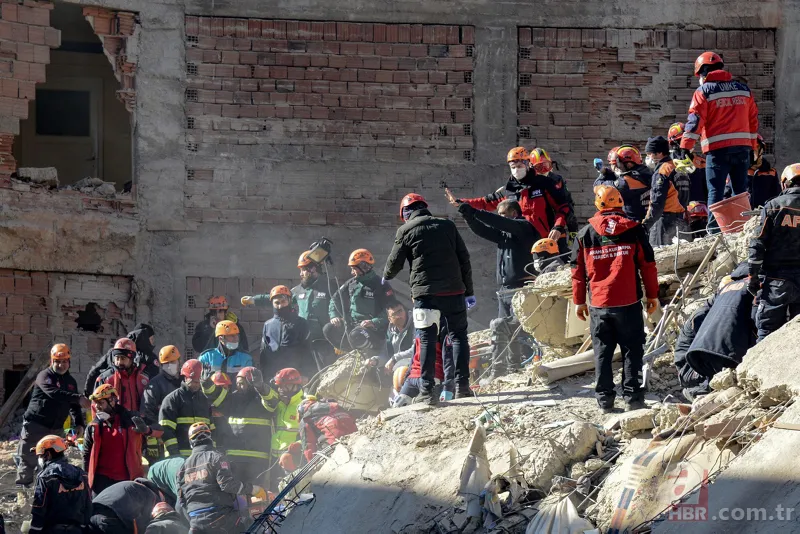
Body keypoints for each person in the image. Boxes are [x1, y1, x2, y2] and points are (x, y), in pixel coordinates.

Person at [571, 185, 659, 412]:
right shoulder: (634, 229)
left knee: (602, 351)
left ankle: (604, 400)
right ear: (620, 203)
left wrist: (579, 301)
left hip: (599, 304)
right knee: (632, 350)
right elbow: (648, 266)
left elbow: (577, 272)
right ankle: (634, 399)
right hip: (628, 303)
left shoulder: (584, 234)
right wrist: (653, 296)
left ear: (598, 205)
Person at [384, 193, 474, 403]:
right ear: (424, 207)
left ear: (406, 213)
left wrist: (386, 275)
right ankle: (462, 387)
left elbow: (393, 265)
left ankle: (426, 391)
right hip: (454, 292)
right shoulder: (448, 226)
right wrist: (468, 291)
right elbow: (464, 259)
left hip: (425, 296)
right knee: (459, 336)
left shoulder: (406, 229)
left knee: (426, 339)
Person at [675, 51, 759, 233]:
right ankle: (743, 230)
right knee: (740, 192)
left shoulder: (703, 91)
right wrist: (752, 148)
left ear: (703, 73)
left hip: (717, 151)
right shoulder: (743, 90)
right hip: (742, 150)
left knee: (716, 193)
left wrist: (685, 147)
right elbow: (753, 121)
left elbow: (695, 120)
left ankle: (713, 233)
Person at [455, 198, 535, 380]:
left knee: (509, 328)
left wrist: (475, 210)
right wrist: (469, 216)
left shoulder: (523, 227)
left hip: (520, 289)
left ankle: (502, 369)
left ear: (514, 213)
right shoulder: (504, 235)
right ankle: (513, 367)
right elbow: (483, 230)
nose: (499, 218)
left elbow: (498, 222)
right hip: (504, 290)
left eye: (503, 214)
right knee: (507, 332)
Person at [446, 147, 572, 251]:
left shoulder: (544, 183)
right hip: (522, 244)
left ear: (527, 164)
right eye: (513, 166)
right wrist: (461, 202)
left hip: (549, 241)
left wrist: (558, 227)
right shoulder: (508, 189)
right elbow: (486, 202)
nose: (516, 169)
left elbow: (563, 207)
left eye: (519, 164)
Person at [674, 264, 756, 401]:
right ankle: (699, 391)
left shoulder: (719, 302)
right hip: (692, 368)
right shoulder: (702, 316)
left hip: (699, 359)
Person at [16, 343, 89, 487]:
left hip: (56, 429)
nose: (61, 365)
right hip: (36, 426)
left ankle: (51, 493)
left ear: (69, 362)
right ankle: (23, 497)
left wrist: (80, 423)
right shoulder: (44, 376)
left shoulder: (71, 382)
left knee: (56, 461)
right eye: (57, 361)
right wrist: (78, 398)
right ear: (51, 361)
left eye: (64, 361)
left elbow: (73, 406)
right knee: (28, 461)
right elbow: (54, 394)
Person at [178, 422, 266, 533]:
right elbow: (227, 485)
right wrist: (254, 489)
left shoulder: (182, 468)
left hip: (195, 523)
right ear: (209, 438)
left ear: (191, 442)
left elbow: (181, 501)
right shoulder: (216, 457)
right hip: (221, 517)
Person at [243, 251, 332, 361]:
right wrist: (254, 300)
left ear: (313, 268)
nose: (300, 274)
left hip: (323, 343)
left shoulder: (329, 287)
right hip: (303, 342)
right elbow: (279, 296)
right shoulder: (298, 290)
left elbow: (339, 309)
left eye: (303, 270)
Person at [748, 163, 800, 341]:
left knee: (767, 330)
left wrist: (752, 276)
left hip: (776, 281)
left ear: (785, 183)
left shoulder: (774, 206)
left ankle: (757, 369)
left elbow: (757, 243)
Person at [205, 366, 279, 486]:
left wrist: (261, 387)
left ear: (251, 383)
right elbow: (216, 397)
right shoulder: (232, 399)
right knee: (236, 495)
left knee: (256, 495)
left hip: (257, 460)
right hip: (234, 458)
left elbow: (273, 402)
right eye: (238, 384)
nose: (239, 387)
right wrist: (206, 383)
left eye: (242, 383)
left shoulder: (261, 400)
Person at [84, 384, 159, 497]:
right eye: (96, 403)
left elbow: (160, 429)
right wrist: (86, 479)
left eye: (101, 403)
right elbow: (86, 455)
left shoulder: (131, 419)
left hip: (128, 480)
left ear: (112, 401)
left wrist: (147, 430)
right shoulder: (93, 427)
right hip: (101, 482)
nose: (97, 407)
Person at [325, 248, 396, 355]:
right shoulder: (351, 283)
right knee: (328, 329)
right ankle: (350, 353)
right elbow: (335, 299)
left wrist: (374, 322)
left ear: (364, 266)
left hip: (373, 330)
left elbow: (392, 309)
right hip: (352, 325)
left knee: (356, 335)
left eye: (354, 268)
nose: (352, 272)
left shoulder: (381, 285)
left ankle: (366, 354)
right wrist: (334, 315)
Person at [29, 435, 91, 533]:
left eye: (40, 456)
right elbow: (87, 505)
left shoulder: (45, 478)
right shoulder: (81, 474)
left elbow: (39, 509)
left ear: (48, 455)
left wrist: (34, 531)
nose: (39, 459)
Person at [160, 360, 215, 458]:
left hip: (202, 458)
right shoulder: (172, 400)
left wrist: (212, 452)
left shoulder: (204, 400)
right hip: (179, 457)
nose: (197, 385)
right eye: (194, 382)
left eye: (199, 382)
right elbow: (166, 430)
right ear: (185, 377)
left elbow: (211, 429)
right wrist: (175, 454)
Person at [84, 324, 159, 394]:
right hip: (132, 399)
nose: (153, 342)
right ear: (143, 337)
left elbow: (95, 371)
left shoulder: (114, 351)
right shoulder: (148, 356)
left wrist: (88, 394)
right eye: (151, 339)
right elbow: (154, 381)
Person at [643, 135, 689, 247]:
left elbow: (657, 201)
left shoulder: (662, 171)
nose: (648, 157)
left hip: (663, 222)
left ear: (659, 153)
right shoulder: (677, 166)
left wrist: (646, 224)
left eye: (649, 154)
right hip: (680, 219)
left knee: (659, 257)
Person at [260, 285, 313, 379]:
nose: (280, 306)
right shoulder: (268, 325)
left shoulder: (301, 323)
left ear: (289, 301)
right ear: (272, 304)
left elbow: (307, 351)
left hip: (295, 375)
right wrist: (264, 375)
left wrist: (306, 374)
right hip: (273, 375)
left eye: (283, 302)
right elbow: (264, 352)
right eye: (277, 303)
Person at [529, 147, 579, 245]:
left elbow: (567, 204)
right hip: (536, 231)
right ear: (531, 167)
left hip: (557, 227)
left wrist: (573, 229)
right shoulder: (528, 183)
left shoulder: (557, 180)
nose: (544, 170)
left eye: (547, 165)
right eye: (539, 167)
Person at [142, 345, 183, 463]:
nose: (170, 365)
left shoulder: (183, 381)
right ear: (160, 365)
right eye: (166, 363)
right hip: (162, 436)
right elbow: (147, 410)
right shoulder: (154, 384)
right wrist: (158, 432)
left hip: (181, 433)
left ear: (179, 361)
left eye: (173, 362)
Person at [595, 145, 653, 222]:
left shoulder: (625, 182)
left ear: (628, 164)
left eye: (617, 164)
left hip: (633, 224)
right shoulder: (648, 172)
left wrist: (604, 173)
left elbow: (597, 187)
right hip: (650, 221)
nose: (616, 167)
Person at [85, 477, 164, 534]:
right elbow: (140, 524)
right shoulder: (151, 495)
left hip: (91, 516)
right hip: (111, 520)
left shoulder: (127, 484)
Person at [294, 396, 357, 466]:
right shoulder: (333, 405)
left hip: (334, 445)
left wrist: (313, 465)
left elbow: (308, 445)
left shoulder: (305, 419)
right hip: (355, 438)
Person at [94, 338, 150, 413]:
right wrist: (99, 423)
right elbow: (95, 404)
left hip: (138, 422)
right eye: (117, 358)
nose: (119, 362)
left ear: (131, 359)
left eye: (123, 358)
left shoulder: (144, 378)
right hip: (115, 423)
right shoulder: (105, 379)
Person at [270, 368, 305, 488]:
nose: (280, 390)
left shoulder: (303, 404)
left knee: (296, 492)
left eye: (284, 386)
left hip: (295, 460)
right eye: (279, 386)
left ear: (294, 385)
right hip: (275, 460)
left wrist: (298, 445)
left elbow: (312, 434)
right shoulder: (279, 404)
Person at [668, 122, 708, 206]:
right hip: (678, 211)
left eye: (690, 140)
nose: (688, 143)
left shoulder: (701, 162)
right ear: (674, 143)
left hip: (701, 211)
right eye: (684, 140)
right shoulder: (668, 164)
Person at [746, 135, 781, 209]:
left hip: (763, 215)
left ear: (761, 150)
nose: (751, 151)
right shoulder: (736, 173)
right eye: (748, 148)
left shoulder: (771, 173)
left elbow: (777, 197)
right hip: (742, 216)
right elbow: (727, 195)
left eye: (755, 148)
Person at [383, 302, 415, 374]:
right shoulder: (390, 331)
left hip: (415, 366)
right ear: (390, 319)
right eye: (394, 314)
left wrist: (395, 358)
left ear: (405, 311)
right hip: (396, 369)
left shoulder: (415, 324)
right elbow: (385, 353)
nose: (399, 316)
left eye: (400, 311)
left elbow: (416, 349)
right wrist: (375, 361)